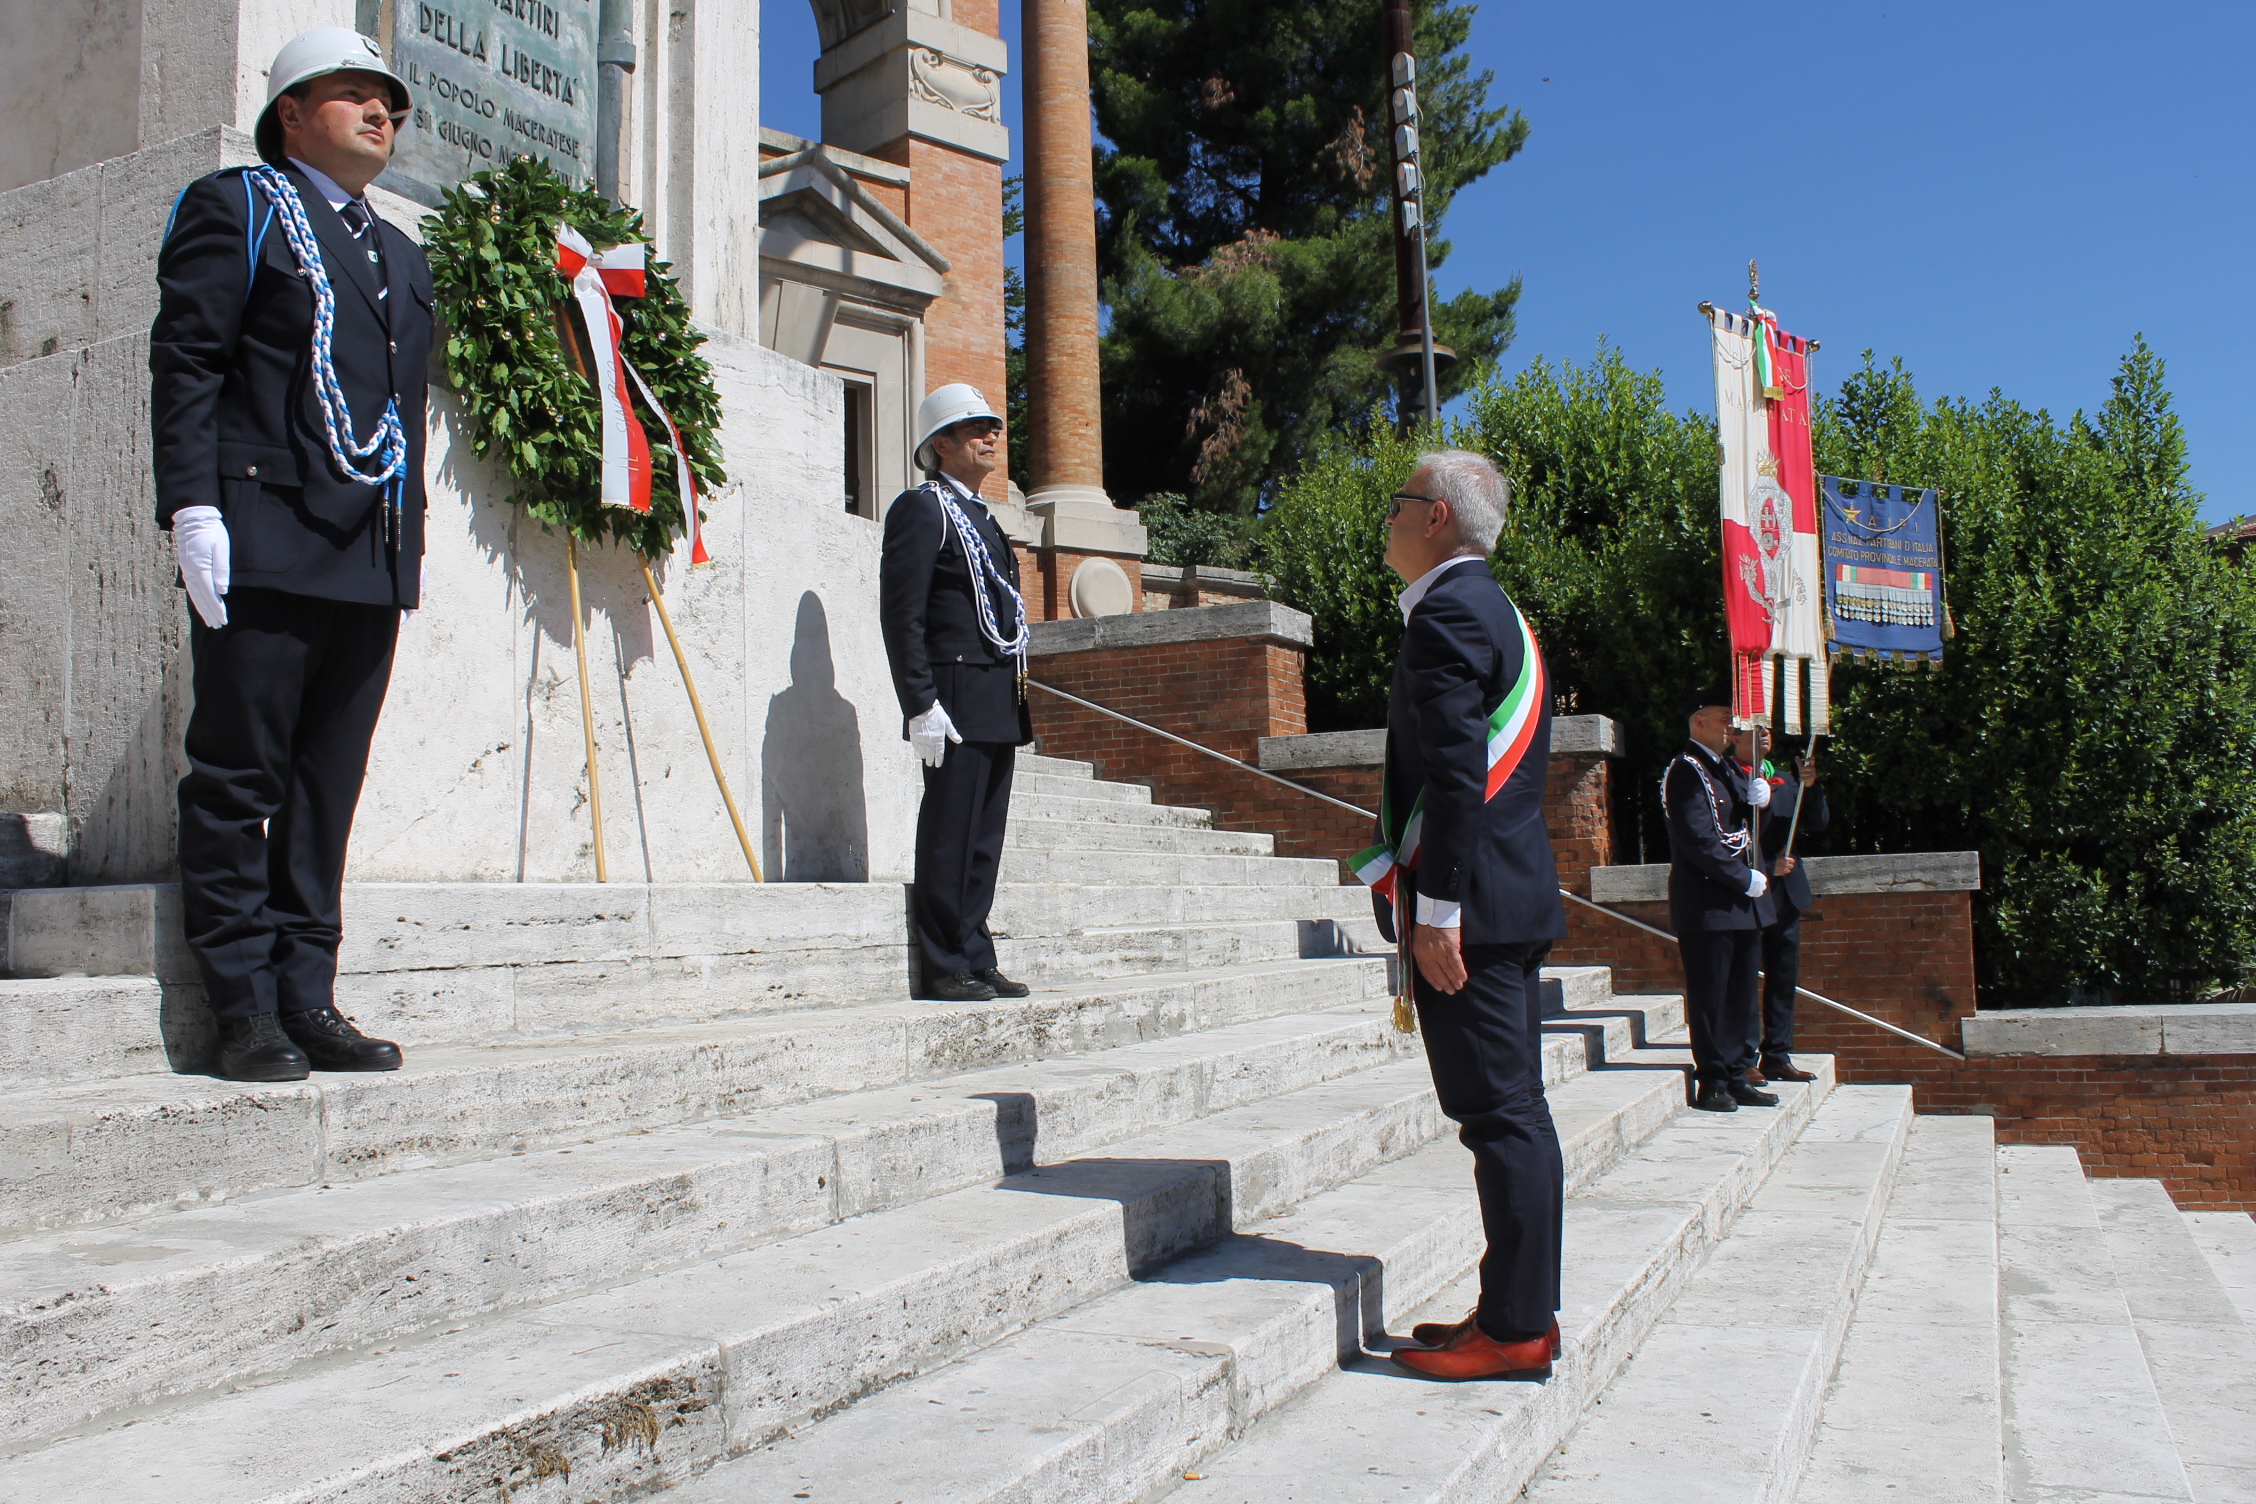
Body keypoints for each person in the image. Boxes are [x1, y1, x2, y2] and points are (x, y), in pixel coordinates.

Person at [152, 28, 431, 1082]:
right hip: (263, 535)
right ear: (291, 113)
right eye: (354, 95)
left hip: (367, 552)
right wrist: (192, 506)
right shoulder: (238, 207)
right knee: (238, 774)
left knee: (326, 787)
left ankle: (307, 993)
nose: (381, 115)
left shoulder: (397, 253)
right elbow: (188, 360)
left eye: (390, 104)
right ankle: (240, 1004)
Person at [1366, 451, 1568, 1384]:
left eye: (1402, 501)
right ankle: (1508, 1306)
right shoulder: (1502, 614)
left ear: (1437, 516)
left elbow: (1456, 778)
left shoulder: (1448, 614)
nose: (1392, 515)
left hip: (1472, 913)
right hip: (1507, 896)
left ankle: (1520, 1327)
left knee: (1502, 1117)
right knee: (1508, 1112)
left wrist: (1436, 912)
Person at [878, 385, 1035, 1003]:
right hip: (952, 697)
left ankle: (974, 948)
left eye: (992, 426)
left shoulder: (984, 519)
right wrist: (919, 702)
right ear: (938, 445)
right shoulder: (922, 509)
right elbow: (903, 614)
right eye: (973, 428)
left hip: (996, 693)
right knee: (949, 831)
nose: (989, 436)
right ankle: (944, 960)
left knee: (983, 839)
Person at [1665, 700, 1778, 1112]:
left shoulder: (1727, 768)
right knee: (1711, 996)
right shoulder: (1687, 770)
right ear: (1699, 721)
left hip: (1741, 904)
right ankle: (1712, 1079)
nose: (1734, 727)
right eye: (1726, 719)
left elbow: (1741, 826)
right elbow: (1698, 838)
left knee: (1742, 994)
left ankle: (1737, 1071)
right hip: (1710, 900)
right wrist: (1741, 878)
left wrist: (1760, 799)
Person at [1749, 747, 1826, 1085]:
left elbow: (1818, 822)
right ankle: (1744, 1057)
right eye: (1755, 727)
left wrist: (1811, 787)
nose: (1763, 732)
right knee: (1745, 979)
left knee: (1783, 978)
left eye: (1767, 728)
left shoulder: (1785, 779)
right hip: (1750, 890)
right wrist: (1767, 867)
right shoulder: (1733, 778)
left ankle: (1777, 1055)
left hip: (1786, 893)